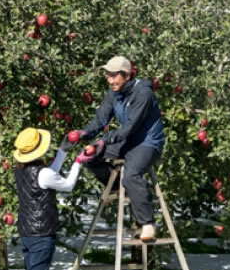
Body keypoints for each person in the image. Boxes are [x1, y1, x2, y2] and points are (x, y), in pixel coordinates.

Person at [69, 55, 165, 242]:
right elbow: (100, 120)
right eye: (108, 75)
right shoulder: (113, 92)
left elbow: (130, 127)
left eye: (114, 76)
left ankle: (148, 224)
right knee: (88, 156)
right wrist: (82, 134)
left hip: (147, 143)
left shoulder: (143, 94)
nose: (110, 80)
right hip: (126, 141)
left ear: (127, 75)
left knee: (131, 175)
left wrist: (105, 140)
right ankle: (119, 188)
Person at [13, 127, 87, 270]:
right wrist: (78, 162)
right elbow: (67, 184)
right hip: (41, 233)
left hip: (27, 230)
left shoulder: (20, 169)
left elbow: (47, 176)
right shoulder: (42, 172)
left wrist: (63, 150)